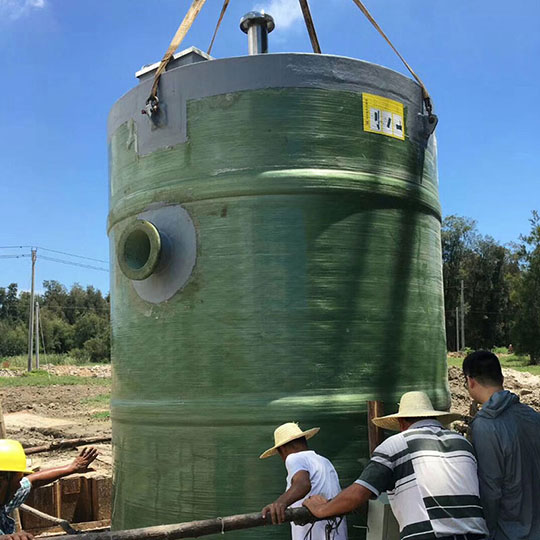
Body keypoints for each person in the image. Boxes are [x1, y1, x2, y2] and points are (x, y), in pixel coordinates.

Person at [303, 391, 489, 540]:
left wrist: (322, 509)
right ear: (435, 417)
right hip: (477, 534)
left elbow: (359, 493)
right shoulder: (462, 443)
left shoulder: (396, 445)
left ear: (401, 422)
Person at [463, 350, 540, 539]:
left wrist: (485, 532)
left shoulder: (485, 426)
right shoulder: (530, 415)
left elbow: (490, 489)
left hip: (508, 531)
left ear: (470, 381)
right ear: (502, 378)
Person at [260, 422, 347, 540]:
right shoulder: (325, 462)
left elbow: (303, 484)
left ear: (282, 449)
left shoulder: (293, 458)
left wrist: (279, 503)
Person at [0, 439, 98, 539]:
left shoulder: (6, 497)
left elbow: (33, 480)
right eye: (17, 481)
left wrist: (71, 468)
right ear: (2, 480)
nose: (19, 486)